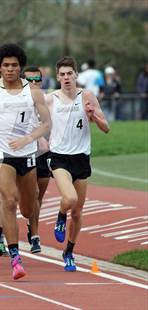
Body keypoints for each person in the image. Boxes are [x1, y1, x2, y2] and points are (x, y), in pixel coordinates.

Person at [0, 44, 51, 280]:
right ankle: (16, 259)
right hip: (2, 154)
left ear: (20, 67)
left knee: (28, 209)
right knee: (9, 201)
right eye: (6, 65)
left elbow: (46, 124)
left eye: (14, 65)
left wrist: (29, 138)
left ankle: (30, 227)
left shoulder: (33, 92)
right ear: (0, 67)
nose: (10, 69)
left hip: (27, 155)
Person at [48, 56, 109, 272]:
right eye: (62, 74)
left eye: (69, 74)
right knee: (70, 199)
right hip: (59, 157)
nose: (66, 78)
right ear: (58, 77)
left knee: (78, 212)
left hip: (81, 158)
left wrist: (94, 116)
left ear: (76, 75)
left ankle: (69, 252)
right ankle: (60, 216)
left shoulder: (88, 96)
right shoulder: (50, 99)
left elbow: (105, 127)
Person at [22, 65, 49, 254]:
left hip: (45, 153)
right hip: (25, 151)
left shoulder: (48, 99)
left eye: (36, 80)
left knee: (39, 196)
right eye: (29, 80)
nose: (33, 83)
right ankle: (35, 236)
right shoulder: (19, 100)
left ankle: (32, 224)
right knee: (33, 193)